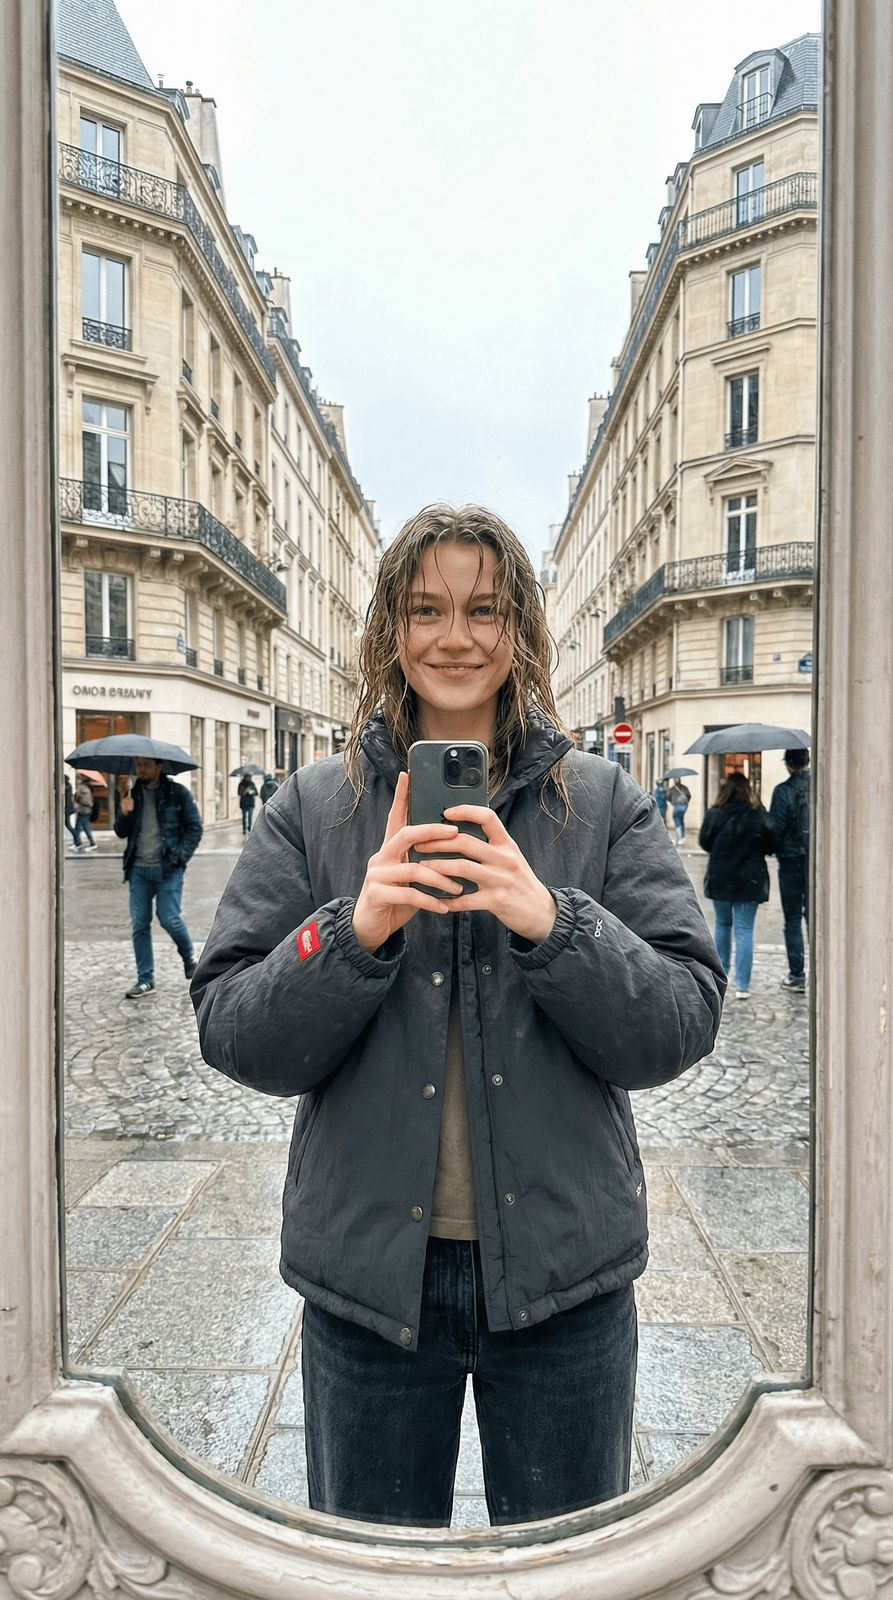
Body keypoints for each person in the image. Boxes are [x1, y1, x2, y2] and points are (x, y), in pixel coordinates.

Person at [191, 504, 725, 1529]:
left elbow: (679, 1019)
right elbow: (232, 1027)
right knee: (375, 1574)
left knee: (564, 1570)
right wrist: (353, 932)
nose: (454, 637)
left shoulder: (601, 802)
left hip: (564, 1277)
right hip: (367, 1287)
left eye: (483, 610)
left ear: (519, 629)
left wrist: (551, 920)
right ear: (391, 629)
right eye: (426, 609)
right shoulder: (312, 805)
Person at [115, 757, 203, 1000]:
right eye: (138, 765)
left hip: (168, 869)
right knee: (139, 924)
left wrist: (179, 858)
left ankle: (189, 957)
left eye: (145, 765)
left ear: (159, 766)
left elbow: (195, 828)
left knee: (169, 919)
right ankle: (145, 979)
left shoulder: (178, 793)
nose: (140, 769)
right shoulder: (132, 794)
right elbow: (121, 831)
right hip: (138, 871)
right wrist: (124, 812)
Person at [698, 771, 775, 1001]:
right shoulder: (757, 813)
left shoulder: (715, 813)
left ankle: (721, 975)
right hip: (750, 880)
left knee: (722, 925)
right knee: (744, 930)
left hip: (721, 877)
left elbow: (705, 841)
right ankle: (743, 984)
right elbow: (772, 843)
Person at [769, 748, 810, 993]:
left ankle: (797, 975)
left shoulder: (782, 791)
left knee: (793, 918)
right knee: (815, 918)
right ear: (807, 761)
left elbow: (775, 828)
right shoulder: (820, 787)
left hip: (790, 860)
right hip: (816, 860)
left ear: (788, 764)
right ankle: (822, 973)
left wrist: (770, 847)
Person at [71, 773, 98, 851]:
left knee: (83, 828)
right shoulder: (86, 787)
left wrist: (77, 798)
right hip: (84, 811)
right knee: (81, 828)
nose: (77, 780)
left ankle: (89, 843)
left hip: (84, 811)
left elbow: (86, 800)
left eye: (78, 779)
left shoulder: (82, 788)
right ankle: (79, 843)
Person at [666, 777, 691, 846]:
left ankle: (679, 838)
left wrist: (672, 801)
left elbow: (667, 797)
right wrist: (685, 802)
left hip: (677, 805)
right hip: (684, 806)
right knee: (681, 819)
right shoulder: (685, 788)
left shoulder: (671, 789)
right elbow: (689, 796)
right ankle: (683, 837)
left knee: (676, 819)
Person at [63, 773, 78, 847]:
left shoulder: (68, 786)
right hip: (68, 808)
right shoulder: (68, 785)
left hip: (68, 808)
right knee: (68, 825)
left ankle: (77, 839)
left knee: (68, 825)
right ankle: (77, 840)